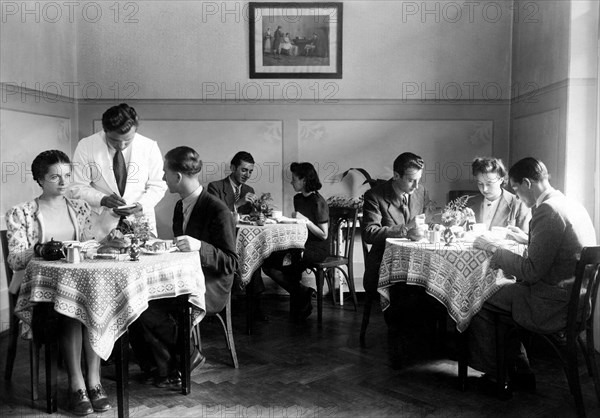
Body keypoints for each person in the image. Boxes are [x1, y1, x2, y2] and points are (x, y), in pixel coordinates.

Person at [470, 157, 597, 392]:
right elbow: (559, 251)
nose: (517, 196)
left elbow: (530, 271)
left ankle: (496, 376)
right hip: (577, 301)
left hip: (552, 305)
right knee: (504, 293)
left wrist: (493, 249)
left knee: (480, 297)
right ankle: (520, 370)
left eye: (516, 189)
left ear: (527, 183)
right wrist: (525, 238)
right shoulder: (569, 204)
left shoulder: (547, 210)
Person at [6, 150, 111, 416]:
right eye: (55, 177)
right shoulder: (21, 213)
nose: (63, 182)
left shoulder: (79, 206)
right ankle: (77, 385)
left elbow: (91, 244)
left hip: (76, 285)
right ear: (40, 180)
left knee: (92, 303)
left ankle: (94, 382)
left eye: (67, 176)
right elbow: (16, 260)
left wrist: (107, 236)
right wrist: (40, 250)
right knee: (71, 309)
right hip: (39, 292)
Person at [129, 146, 238, 388]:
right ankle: (166, 365)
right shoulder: (181, 206)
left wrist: (199, 245)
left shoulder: (217, 209)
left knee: (145, 307)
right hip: (186, 278)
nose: (163, 178)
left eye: (165, 173)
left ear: (177, 177)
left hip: (211, 284)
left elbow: (231, 262)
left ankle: (183, 358)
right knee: (134, 301)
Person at [361, 152, 435, 366]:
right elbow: (369, 232)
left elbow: (427, 220)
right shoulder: (374, 196)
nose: (416, 185)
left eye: (419, 179)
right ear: (395, 175)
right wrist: (403, 230)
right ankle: (402, 349)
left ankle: (426, 345)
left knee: (434, 286)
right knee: (404, 291)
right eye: (411, 180)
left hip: (417, 262)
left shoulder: (420, 192)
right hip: (385, 264)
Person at [70, 103, 167, 241]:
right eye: (114, 140)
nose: (121, 146)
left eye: (127, 140)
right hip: (101, 224)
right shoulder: (86, 146)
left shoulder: (149, 147)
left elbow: (158, 186)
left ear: (135, 130)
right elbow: (76, 187)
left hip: (140, 221)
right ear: (105, 130)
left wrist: (141, 206)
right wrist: (102, 199)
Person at [261, 162, 329, 321]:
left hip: (316, 248)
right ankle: (302, 292)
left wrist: (305, 220)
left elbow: (323, 235)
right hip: (299, 243)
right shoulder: (298, 198)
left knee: (291, 265)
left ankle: (300, 305)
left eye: (294, 179)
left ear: (304, 180)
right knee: (268, 264)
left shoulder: (318, 201)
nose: (291, 182)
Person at [207, 151, 268, 321]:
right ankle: (251, 305)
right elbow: (215, 217)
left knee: (255, 254)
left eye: (250, 171)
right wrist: (237, 204)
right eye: (243, 170)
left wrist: (258, 212)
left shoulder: (249, 190)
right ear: (233, 168)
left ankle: (254, 305)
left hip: (242, 240)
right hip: (220, 241)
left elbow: (248, 220)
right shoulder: (215, 187)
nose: (247, 175)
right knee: (249, 254)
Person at [468, 157, 531, 238]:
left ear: (501, 180)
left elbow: (527, 241)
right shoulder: (468, 202)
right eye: (480, 183)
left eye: (489, 183)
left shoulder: (519, 204)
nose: (484, 189)